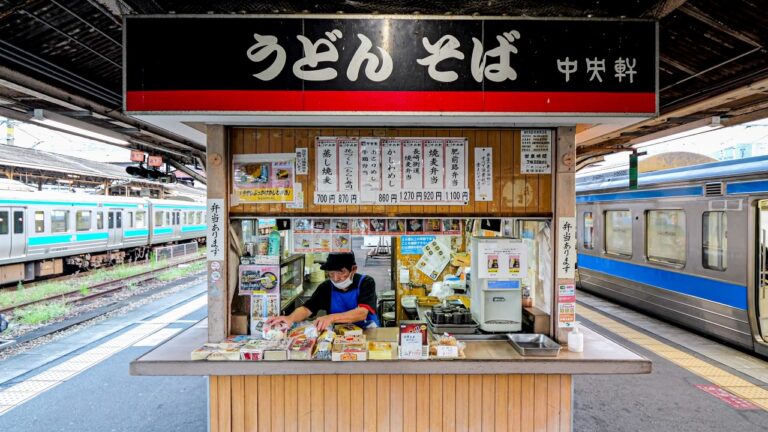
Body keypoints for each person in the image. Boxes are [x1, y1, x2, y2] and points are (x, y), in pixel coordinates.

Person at [267, 252, 379, 331]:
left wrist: (331, 317)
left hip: (367, 331)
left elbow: (362, 313)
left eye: (340, 273)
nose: (335, 278)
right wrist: (290, 318)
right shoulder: (326, 287)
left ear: (353, 269)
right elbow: (307, 308)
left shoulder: (365, 282)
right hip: (339, 334)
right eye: (331, 274)